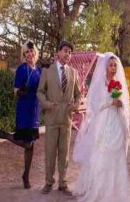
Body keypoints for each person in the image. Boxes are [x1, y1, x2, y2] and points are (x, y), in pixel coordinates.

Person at [73, 52, 130, 202]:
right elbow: (93, 104)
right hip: (103, 121)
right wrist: (109, 103)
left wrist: (120, 103)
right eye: (111, 65)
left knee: (116, 153)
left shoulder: (118, 82)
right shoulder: (100, 83)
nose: (113, 68)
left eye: (115, 66)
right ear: (105, 67)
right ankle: (97, 188)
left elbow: (123, 101)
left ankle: (114, 188)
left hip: (115, 120)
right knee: (100, 152)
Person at [0, 40, 41, 189]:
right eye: (27, 52)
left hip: (35, 109)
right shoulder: (21, 69)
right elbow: (15, 90)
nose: (30, 54)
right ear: (24, 55)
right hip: (24, 109)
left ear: (35, 52)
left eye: (32, 51)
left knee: (30, 146)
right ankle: (5, 135)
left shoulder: (38, 70)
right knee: (27, 143)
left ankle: (26, 175)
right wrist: (21, 91)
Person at [37, 40, 81, 196]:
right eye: (65, 50)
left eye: (70, 52)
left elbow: (78, 94)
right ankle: (48, 182)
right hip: (52, 118)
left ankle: (63, 183)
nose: (67, 54)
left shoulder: (73, 73)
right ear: (58, 53)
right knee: (50, 152)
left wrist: (75, 106)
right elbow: (40, 92)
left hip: (66, 120)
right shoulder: (47, 72)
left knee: (64, 153)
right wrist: (47, 104)